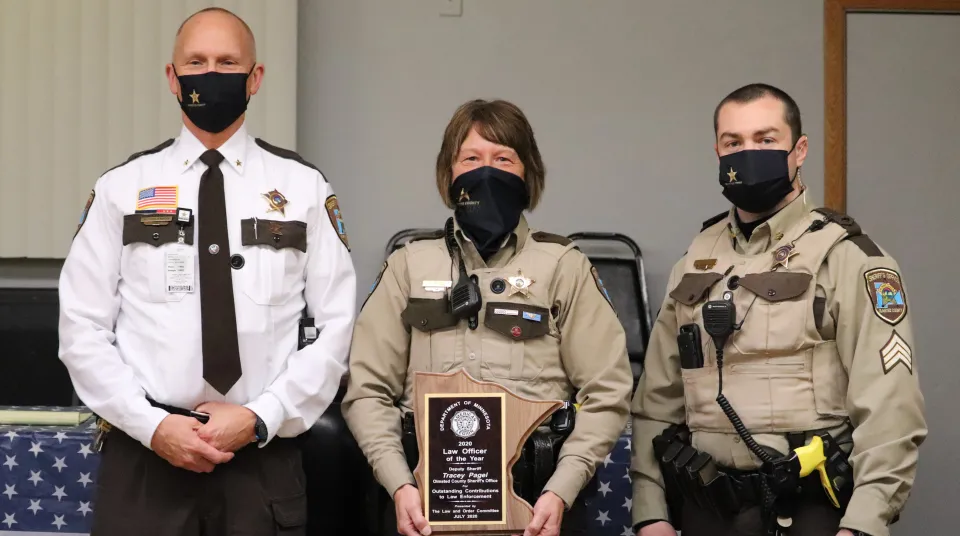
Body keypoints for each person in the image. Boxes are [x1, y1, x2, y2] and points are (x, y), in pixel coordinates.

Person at [58, 7, 357, 535]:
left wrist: (263, 415)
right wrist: (153, 426)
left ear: (255, 78)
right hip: (146, 458)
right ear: (172, 77)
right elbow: (81, 329)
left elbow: (337, 327)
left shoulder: (305, 188)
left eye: (227, 62)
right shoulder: (120, 189)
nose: (211, 75)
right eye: (195, 62)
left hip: (261, 460)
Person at [629, 83, 927, 536]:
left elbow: (891, 409)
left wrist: (863, 525)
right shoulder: (694, 260)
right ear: (717, 152)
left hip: (807, 510)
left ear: (799, 149)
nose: (748, 153)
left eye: (766, 140)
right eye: (733, 143)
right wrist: (650, 513)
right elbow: (656, 401)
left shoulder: (849, 257)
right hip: (703, 508)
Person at [341, 99, 633, 536]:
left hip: (535, 511)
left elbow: (606, 393)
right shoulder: (408, 266)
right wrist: (399, 485)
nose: (486, 172)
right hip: (421, 510)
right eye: (471, 159)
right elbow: (367, 392)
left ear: (527, 172)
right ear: (450, 173)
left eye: (503, 159)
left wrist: (561, 490)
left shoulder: (563, 266)